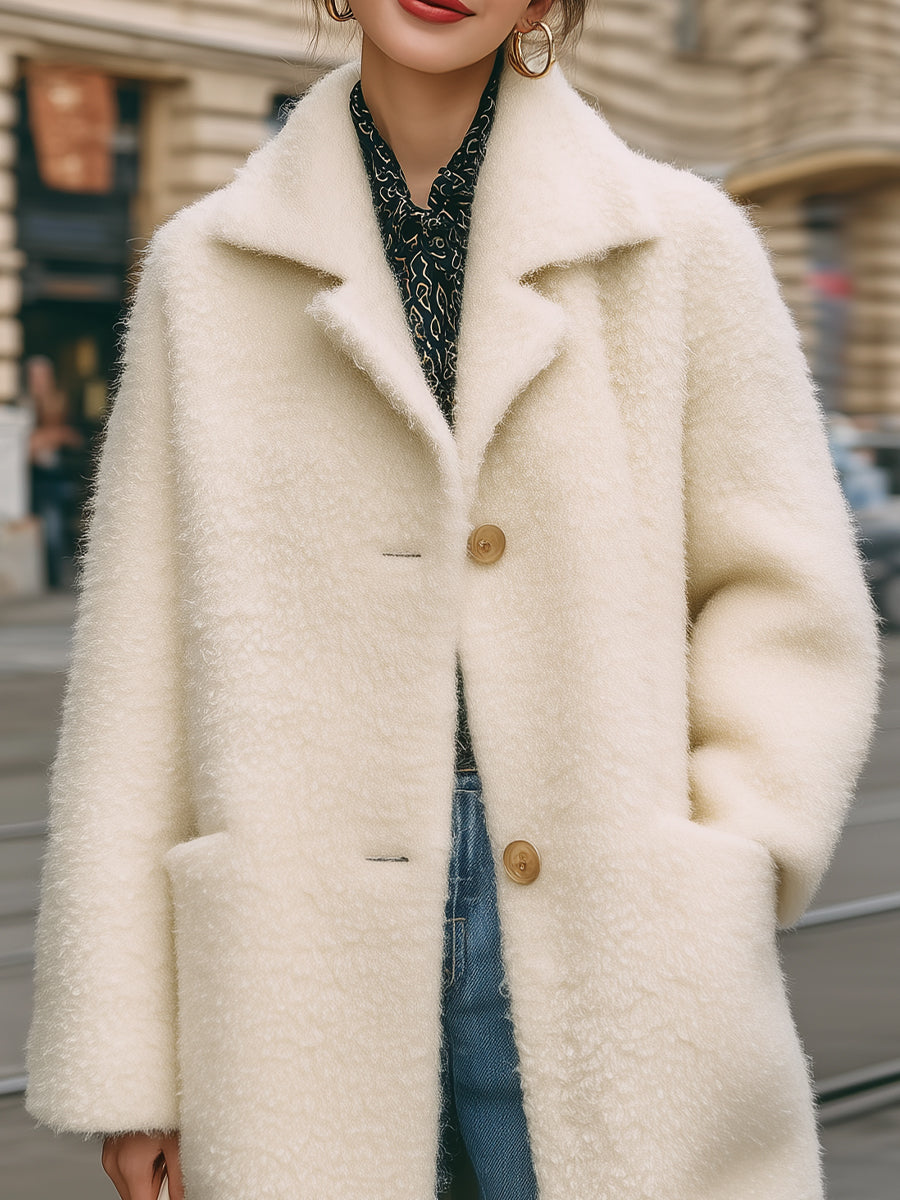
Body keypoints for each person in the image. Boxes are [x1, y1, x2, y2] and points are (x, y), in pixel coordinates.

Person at [24, 2, 882, 1199]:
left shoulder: (677, 246)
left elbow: (789, 603)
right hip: (295, 966)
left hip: (614, 937)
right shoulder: (208, 269)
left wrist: (725, 855)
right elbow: (136, 678)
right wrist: (132, 1058)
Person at [24, 356, 84, 590]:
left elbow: (76, 436)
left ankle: (53, 579)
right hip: (31, 476)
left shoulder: (61, 402)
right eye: (34, 376)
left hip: (56, 478)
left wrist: (50, 437)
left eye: (42, 375)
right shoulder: (25, 404)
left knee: (54, 528)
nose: (38, 381)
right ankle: (46, 577)